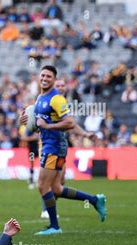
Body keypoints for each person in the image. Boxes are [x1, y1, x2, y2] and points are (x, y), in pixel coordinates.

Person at [20, 66, 106, 235]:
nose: (45, 78)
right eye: (43, 75)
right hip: (49, 145)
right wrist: (26, 120)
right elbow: (38, 123)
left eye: (49, 76)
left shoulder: (56, 99)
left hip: (53, 147)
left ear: (54, 79)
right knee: (57, 188)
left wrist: (48, 126)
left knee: (43, 186)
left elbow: (70, 123)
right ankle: (95, 200)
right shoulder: (40, 98)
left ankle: (54, 226)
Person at [39, 78, 96, 219]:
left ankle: (50, 212)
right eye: (57, 85)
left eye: (62, 85)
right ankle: (47, 210)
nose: (60, 87)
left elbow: (71, 124)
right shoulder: (50, 102)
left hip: (60, 146)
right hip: (51, 146)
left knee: (58, 183)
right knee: (50, 183)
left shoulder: (63, 104)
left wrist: (84, 134)